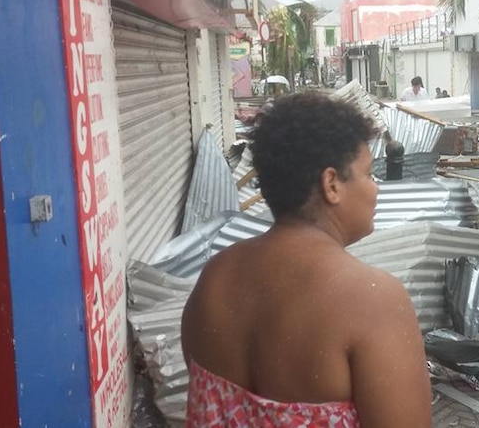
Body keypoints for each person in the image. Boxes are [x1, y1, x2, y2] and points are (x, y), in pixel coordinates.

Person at [181, 92, 433, 427]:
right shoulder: (372, 299)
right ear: (332, 184)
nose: (376, 189)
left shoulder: (216, 276)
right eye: (369, 174)